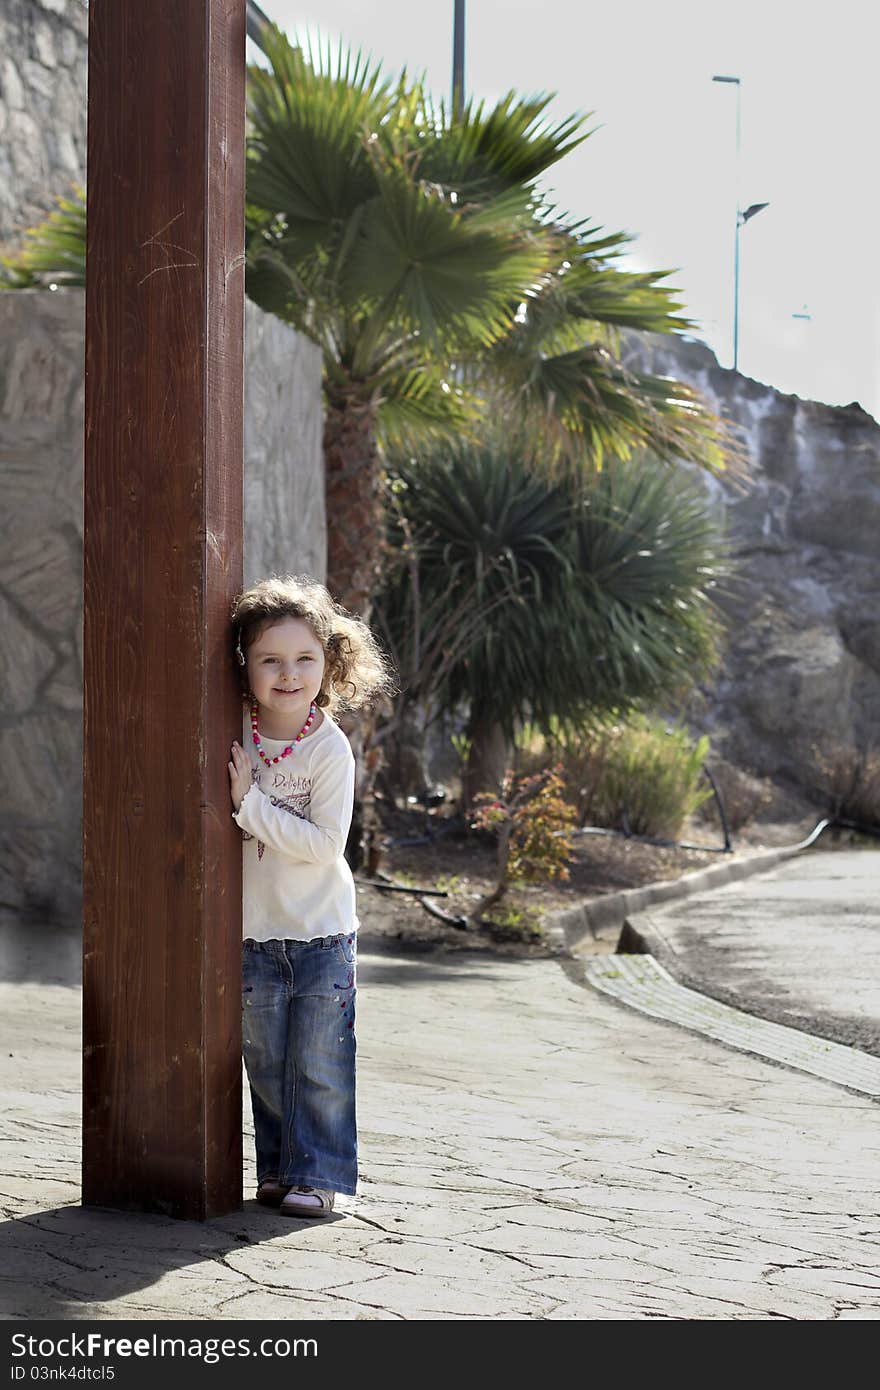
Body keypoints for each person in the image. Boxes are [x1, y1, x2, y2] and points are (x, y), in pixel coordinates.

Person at [227, 574, 395, 1218]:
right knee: (266, 1062)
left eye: (305, 658)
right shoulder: (233, 729)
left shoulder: (330, 749)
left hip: (322, 932)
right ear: (246, 666)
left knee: (320, 1062)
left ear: (330, 663)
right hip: (251, 930)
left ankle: (318, 1175)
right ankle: (278, 1169)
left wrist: (250, 804)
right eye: (270, 659)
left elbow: (324, 845)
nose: (288, 673)